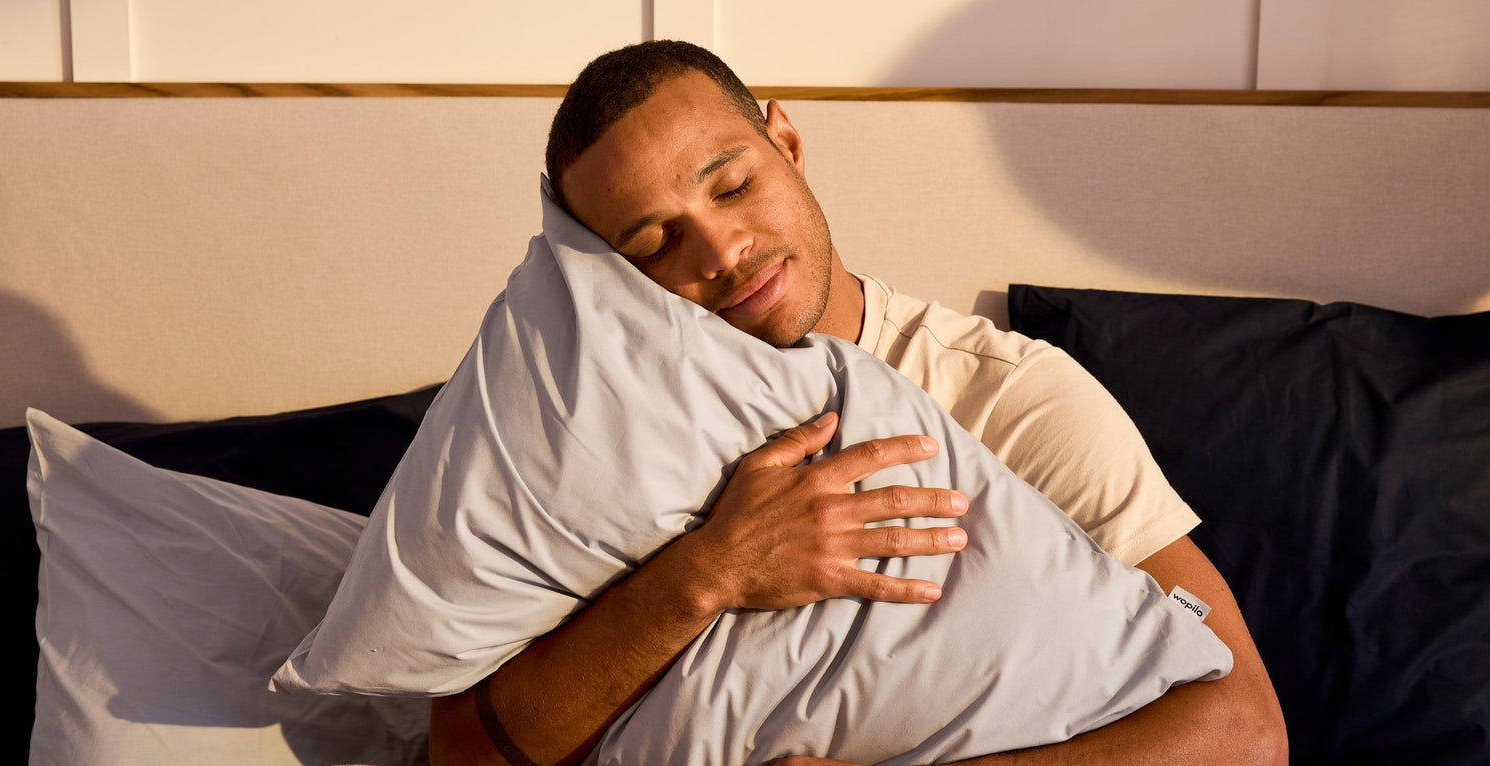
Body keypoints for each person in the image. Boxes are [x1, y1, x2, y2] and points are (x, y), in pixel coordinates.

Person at [430, 40, 1288, 765]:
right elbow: (461, 753)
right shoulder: (587, 447)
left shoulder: (1008, 396)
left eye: (731, 188)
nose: (723, 251)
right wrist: (710, 573)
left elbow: (1245, 736)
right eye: (657, 243)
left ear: (789, 145)